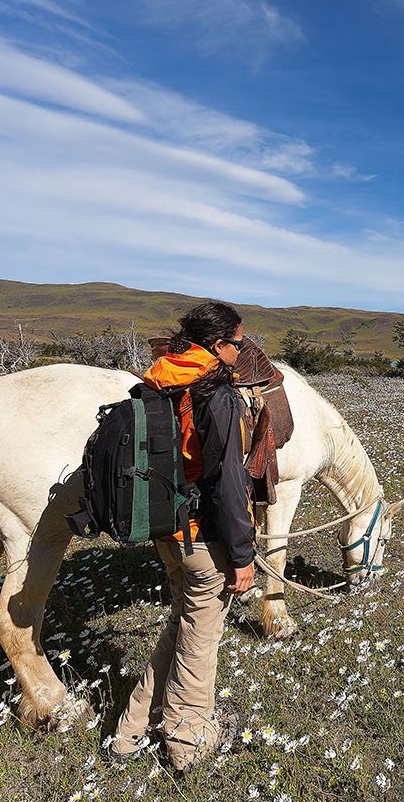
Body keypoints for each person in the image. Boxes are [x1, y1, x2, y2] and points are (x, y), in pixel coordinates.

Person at [109, 301, 256, 772]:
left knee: (182, 623)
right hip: (200, 538)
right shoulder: (217, 394)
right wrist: (241, 554)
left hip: (164, 529)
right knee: (201, 638)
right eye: (237, 344)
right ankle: (186, 740)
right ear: (217, 346)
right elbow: (228, 482)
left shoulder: (158, 380)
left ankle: (131, 731)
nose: (239, 352)